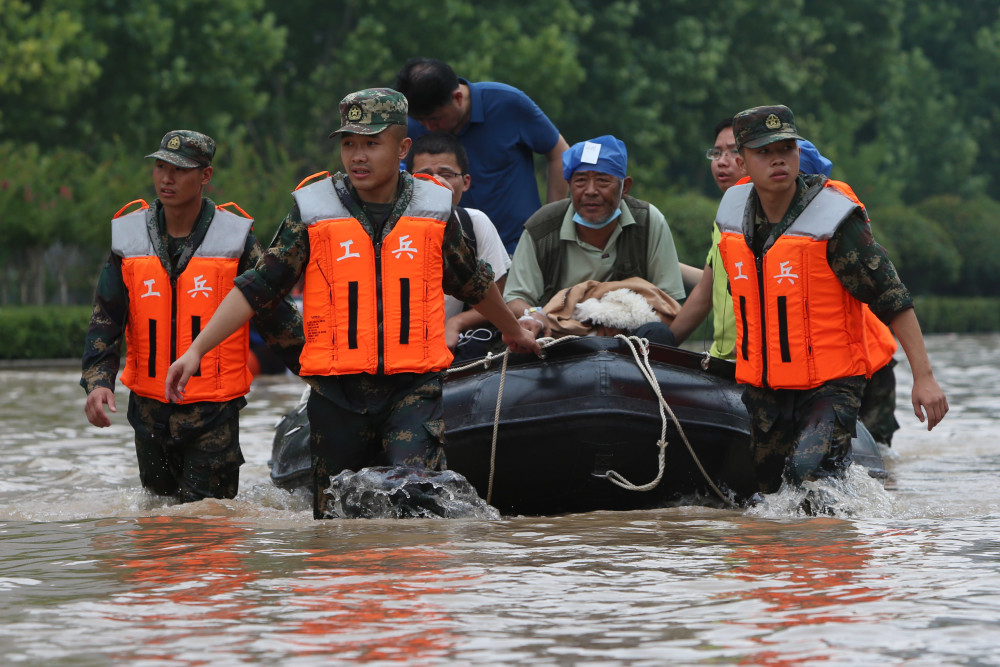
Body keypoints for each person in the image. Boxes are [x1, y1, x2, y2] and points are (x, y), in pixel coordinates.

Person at [164, 89, 540, 519]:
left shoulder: (433, 208)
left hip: (411, 389)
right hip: (337, 394)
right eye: (349, 144)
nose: (357, 156)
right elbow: (257, 288)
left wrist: (513, 331)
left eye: (370, 143)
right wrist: (196, 349)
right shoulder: (313, 210)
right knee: (338, 524)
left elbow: (474, 283)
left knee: (415, 511)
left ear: (402, 148)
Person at [715, 105, 948, 495]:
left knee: (809, 475)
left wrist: (924, 377)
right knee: (771, 494)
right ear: (742, 160)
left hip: (830, 384)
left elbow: (893, 296)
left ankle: (840, 550)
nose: (778, 160)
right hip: (765, 387)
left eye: (786, 148)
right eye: (764, 152)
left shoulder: (834, 219)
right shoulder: (733, 214)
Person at [81, 130, 302, 503]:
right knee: (159, 523)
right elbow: (107, 315)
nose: (167, 178)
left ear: (205, 175)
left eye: (180, 170)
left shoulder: (235, 237)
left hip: (212, 409)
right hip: (148, 410)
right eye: (161, 167)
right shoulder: (129, 235)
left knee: (208, 528)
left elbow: (273, 314)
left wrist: (318, 374)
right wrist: (98, 380)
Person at [504, 135, 685, 343]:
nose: (590, 191)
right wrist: (535, 315)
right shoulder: (542, 227)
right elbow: (515, 297)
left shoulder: (648, 221)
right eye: (580, 180)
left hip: (629, 340)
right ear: (569, 185)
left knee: (659, 334)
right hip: (559, 339)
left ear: (625, 187)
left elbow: (668, 299)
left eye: (602, 180)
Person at [394, 58, 570, 253]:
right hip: (451, 253)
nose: (429, 128)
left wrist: (550, 226)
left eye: (435, 119)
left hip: (518, 248)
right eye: (421, 121)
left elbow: (559, 153)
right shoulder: (411, 126)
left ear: (458, 98)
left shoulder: (508, 104)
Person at [405, 132, 512, 363]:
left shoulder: (474, 223)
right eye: (424, 176)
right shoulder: (390, 226)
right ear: (406, 181)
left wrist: (457, 322)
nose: (437, 182)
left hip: (449, 350)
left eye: (446, 174)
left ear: (465, 182)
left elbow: (498, 295)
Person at [669, 118, 745, 359]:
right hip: (724, 361)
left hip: (755, 367)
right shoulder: (725, 216)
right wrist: (663, 347)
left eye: (734, 151)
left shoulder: (770, 217)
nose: (721, 162)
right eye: (717, 153)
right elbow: (707, 289)